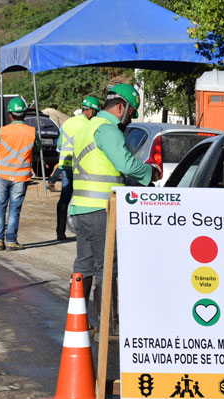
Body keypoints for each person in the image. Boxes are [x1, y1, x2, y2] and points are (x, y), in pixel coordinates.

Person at [69, 84, 161, 331]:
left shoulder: (87, 127)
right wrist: (149, 172)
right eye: (131, 113)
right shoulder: (108, 130)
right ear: (121, 107)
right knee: (107, 269)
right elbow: (127, 164)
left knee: (84, 266)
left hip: (81, 208)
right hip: (101, 210)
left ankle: (77, 323)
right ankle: (108, 327)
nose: (129, 118)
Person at [0, 97, 39, 251]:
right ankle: (11, 241)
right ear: (24, 114)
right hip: (21, 177)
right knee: (15, 208)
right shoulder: (32, 132)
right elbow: (38, 147)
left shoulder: (3, 131)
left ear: (10, 115)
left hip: (2, 176)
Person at [49, 96, 100, 240]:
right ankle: (81, 231)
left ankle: (60, 232)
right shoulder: (88, 125)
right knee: (80, 198)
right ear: (90, 111)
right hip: (80, 165)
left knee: (64, 197)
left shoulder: (67, 123)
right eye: (95, 112)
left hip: (65, 164)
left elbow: (59, 145)